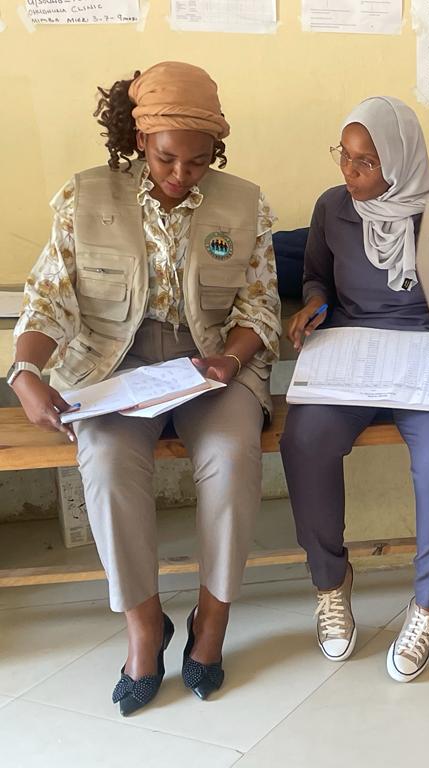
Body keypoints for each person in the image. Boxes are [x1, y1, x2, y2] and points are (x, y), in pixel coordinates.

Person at [10, 62, 281, 714]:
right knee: (104, 460)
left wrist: (228, 360)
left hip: (210, 366)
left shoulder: (243, 204)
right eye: (166, 158)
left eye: (198, 160)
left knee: (234, 456)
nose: (181, 174)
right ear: (137, 139)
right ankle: (143, 627)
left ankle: (210, 625)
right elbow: (49, 302)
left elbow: (261, 310)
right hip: (113, 366)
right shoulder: (87, 198)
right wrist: (24, 372)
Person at [280, 96, 429, 683]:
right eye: (346, 157)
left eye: (366, 163)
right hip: (354, 356)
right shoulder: (333, 208)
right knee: (304, 438)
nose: (350, 173)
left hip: (428, 357)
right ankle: (331, 581)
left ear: (402, 161)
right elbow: (316, 276)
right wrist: (314, 305)